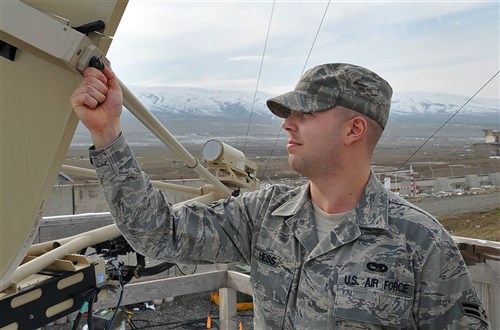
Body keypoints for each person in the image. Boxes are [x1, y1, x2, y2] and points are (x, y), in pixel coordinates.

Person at [71, 63, 489, 329]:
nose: (287, 125)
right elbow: (158, 234)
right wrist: (107, 135)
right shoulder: (264, 214)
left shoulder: (421, 243)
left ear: (354, 130)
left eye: (304, 114)